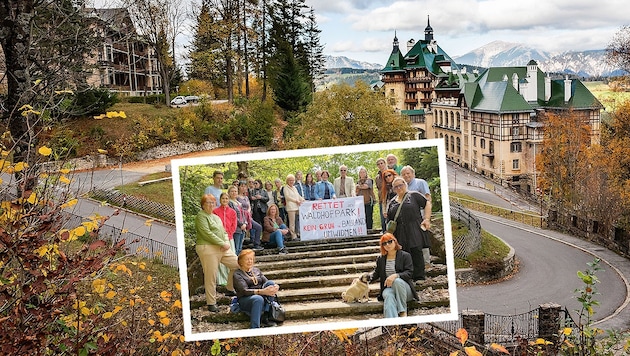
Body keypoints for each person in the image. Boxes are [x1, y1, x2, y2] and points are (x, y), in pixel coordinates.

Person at [195, 194, 239, 312]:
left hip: (221, 248)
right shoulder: (201, 216)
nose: (210, 205)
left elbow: (224, 231)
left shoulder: (216, 217)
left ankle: (230, 288)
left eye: (212, 202)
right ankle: (211, 302)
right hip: (207, 248)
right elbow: (206, 233)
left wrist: (226, 243)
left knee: (237, 264)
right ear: (203, 205)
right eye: (208, 203)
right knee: (211, 276)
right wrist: (221, 243)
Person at [386, 177, 431, 282]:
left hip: (414, 227)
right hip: (400, 230)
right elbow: (389, 219)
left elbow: (427, 203)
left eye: (400, 185)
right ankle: (407, 276)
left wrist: (427, 219)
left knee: (416, 250)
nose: (399, 188)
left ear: (405, 185)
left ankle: (419, 276)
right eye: (396, 187)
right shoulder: (392, 202)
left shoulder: (414, 195)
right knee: (404, 253)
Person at [369, 233, 418, 318]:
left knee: (397, 281)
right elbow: (376, 274)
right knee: (388, 297)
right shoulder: (381, 259)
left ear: (395, 241)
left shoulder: (405, 256)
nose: (387, 245)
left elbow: (409, 273)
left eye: (389, 241)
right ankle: (393, 324)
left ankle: (402, 311)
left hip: (405, 290)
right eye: (384, 243)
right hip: (388, 289)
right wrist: (363, 279)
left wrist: (395, 275)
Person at [233, 249, 281, 328]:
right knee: (258, 299)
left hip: (261, 295)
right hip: (245, 299)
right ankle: (255, 327)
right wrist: (261, 291)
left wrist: (275, 286)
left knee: (271, 284)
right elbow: (244, 291)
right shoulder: (237, 274)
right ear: (241, 262)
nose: (250, 261)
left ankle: (265, 316)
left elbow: (266, 281)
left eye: (251, 259)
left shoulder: (256, 270)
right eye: (247, 259)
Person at [401, 165, 432, 267]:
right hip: (410, 219)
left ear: (413, 174)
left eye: (408, 173)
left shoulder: (420, 182)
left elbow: (427, 198)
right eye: (404, 174)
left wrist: (426, 217)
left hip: (421, 214)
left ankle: (426, 262)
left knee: (422, 238)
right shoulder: (403, 187)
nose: (406, 176)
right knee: (413, 239)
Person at [213, 192, 237, 293]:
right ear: (220, 200)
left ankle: (230, 280)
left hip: (229, 237)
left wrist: (229, 233)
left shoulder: (232, 212)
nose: (225, 200)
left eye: (227, 199)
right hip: (219, 238)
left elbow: (234, 225)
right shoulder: (215, 211)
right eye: (223, 199)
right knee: (221, 259)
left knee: (231, 259)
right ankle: (222, 279)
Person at [237, 182, 263, 251]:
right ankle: (238, 248)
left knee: (258, 227)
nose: (243, 188)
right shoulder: (237, 197)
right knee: (242, 232)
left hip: (247, 216)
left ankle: (256, 244)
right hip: (240, 217)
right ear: (239, 187)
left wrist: (248, 212)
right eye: (242, 186)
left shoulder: (246, 197)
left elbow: (249, 206)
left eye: (245, 186)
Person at [227, 185, 248, 255]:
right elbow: (233, 216)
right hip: (236, 228)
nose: (234, 193)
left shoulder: (239, 203)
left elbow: (243, 214)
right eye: (232, 191)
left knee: (240, 248)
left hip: (242, 228)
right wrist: (241, 224)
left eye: (235, 191)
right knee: (235, 248)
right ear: (229, 193)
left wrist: (245, 223)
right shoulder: (229, 203)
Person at [283, 174, 304, 240]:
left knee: (298, 221)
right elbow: (287, 197)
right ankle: (293, 236)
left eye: (292, 180)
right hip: (291, 207)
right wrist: (296, 201)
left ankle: (298, 233)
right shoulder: (285, 188)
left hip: (297, 207)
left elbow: (298, 196)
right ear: (287, 181)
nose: (291, 181)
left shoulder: (294, 187)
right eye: (290, 180)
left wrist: (303, 200)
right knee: (292, 223)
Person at [355, 166, 375, 230]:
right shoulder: (358, 182)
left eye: (363, 172)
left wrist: (358, 186)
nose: (362, 174)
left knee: (369, 216)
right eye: (361, 172)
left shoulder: (369, 180)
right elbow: (356, 192)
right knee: (362, 217)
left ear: (366, 173)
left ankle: (369, 230)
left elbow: (365, 186)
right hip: (360, 203)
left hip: (368, 201)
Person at [375, 158, 388, 232]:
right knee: (383, 219)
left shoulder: (390, 173)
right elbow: (378, 188)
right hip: (381, 199)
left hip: (390, 199)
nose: (380, 165)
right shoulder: (377, 177)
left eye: (381, 163)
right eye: (378, 164)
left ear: (385, 163)